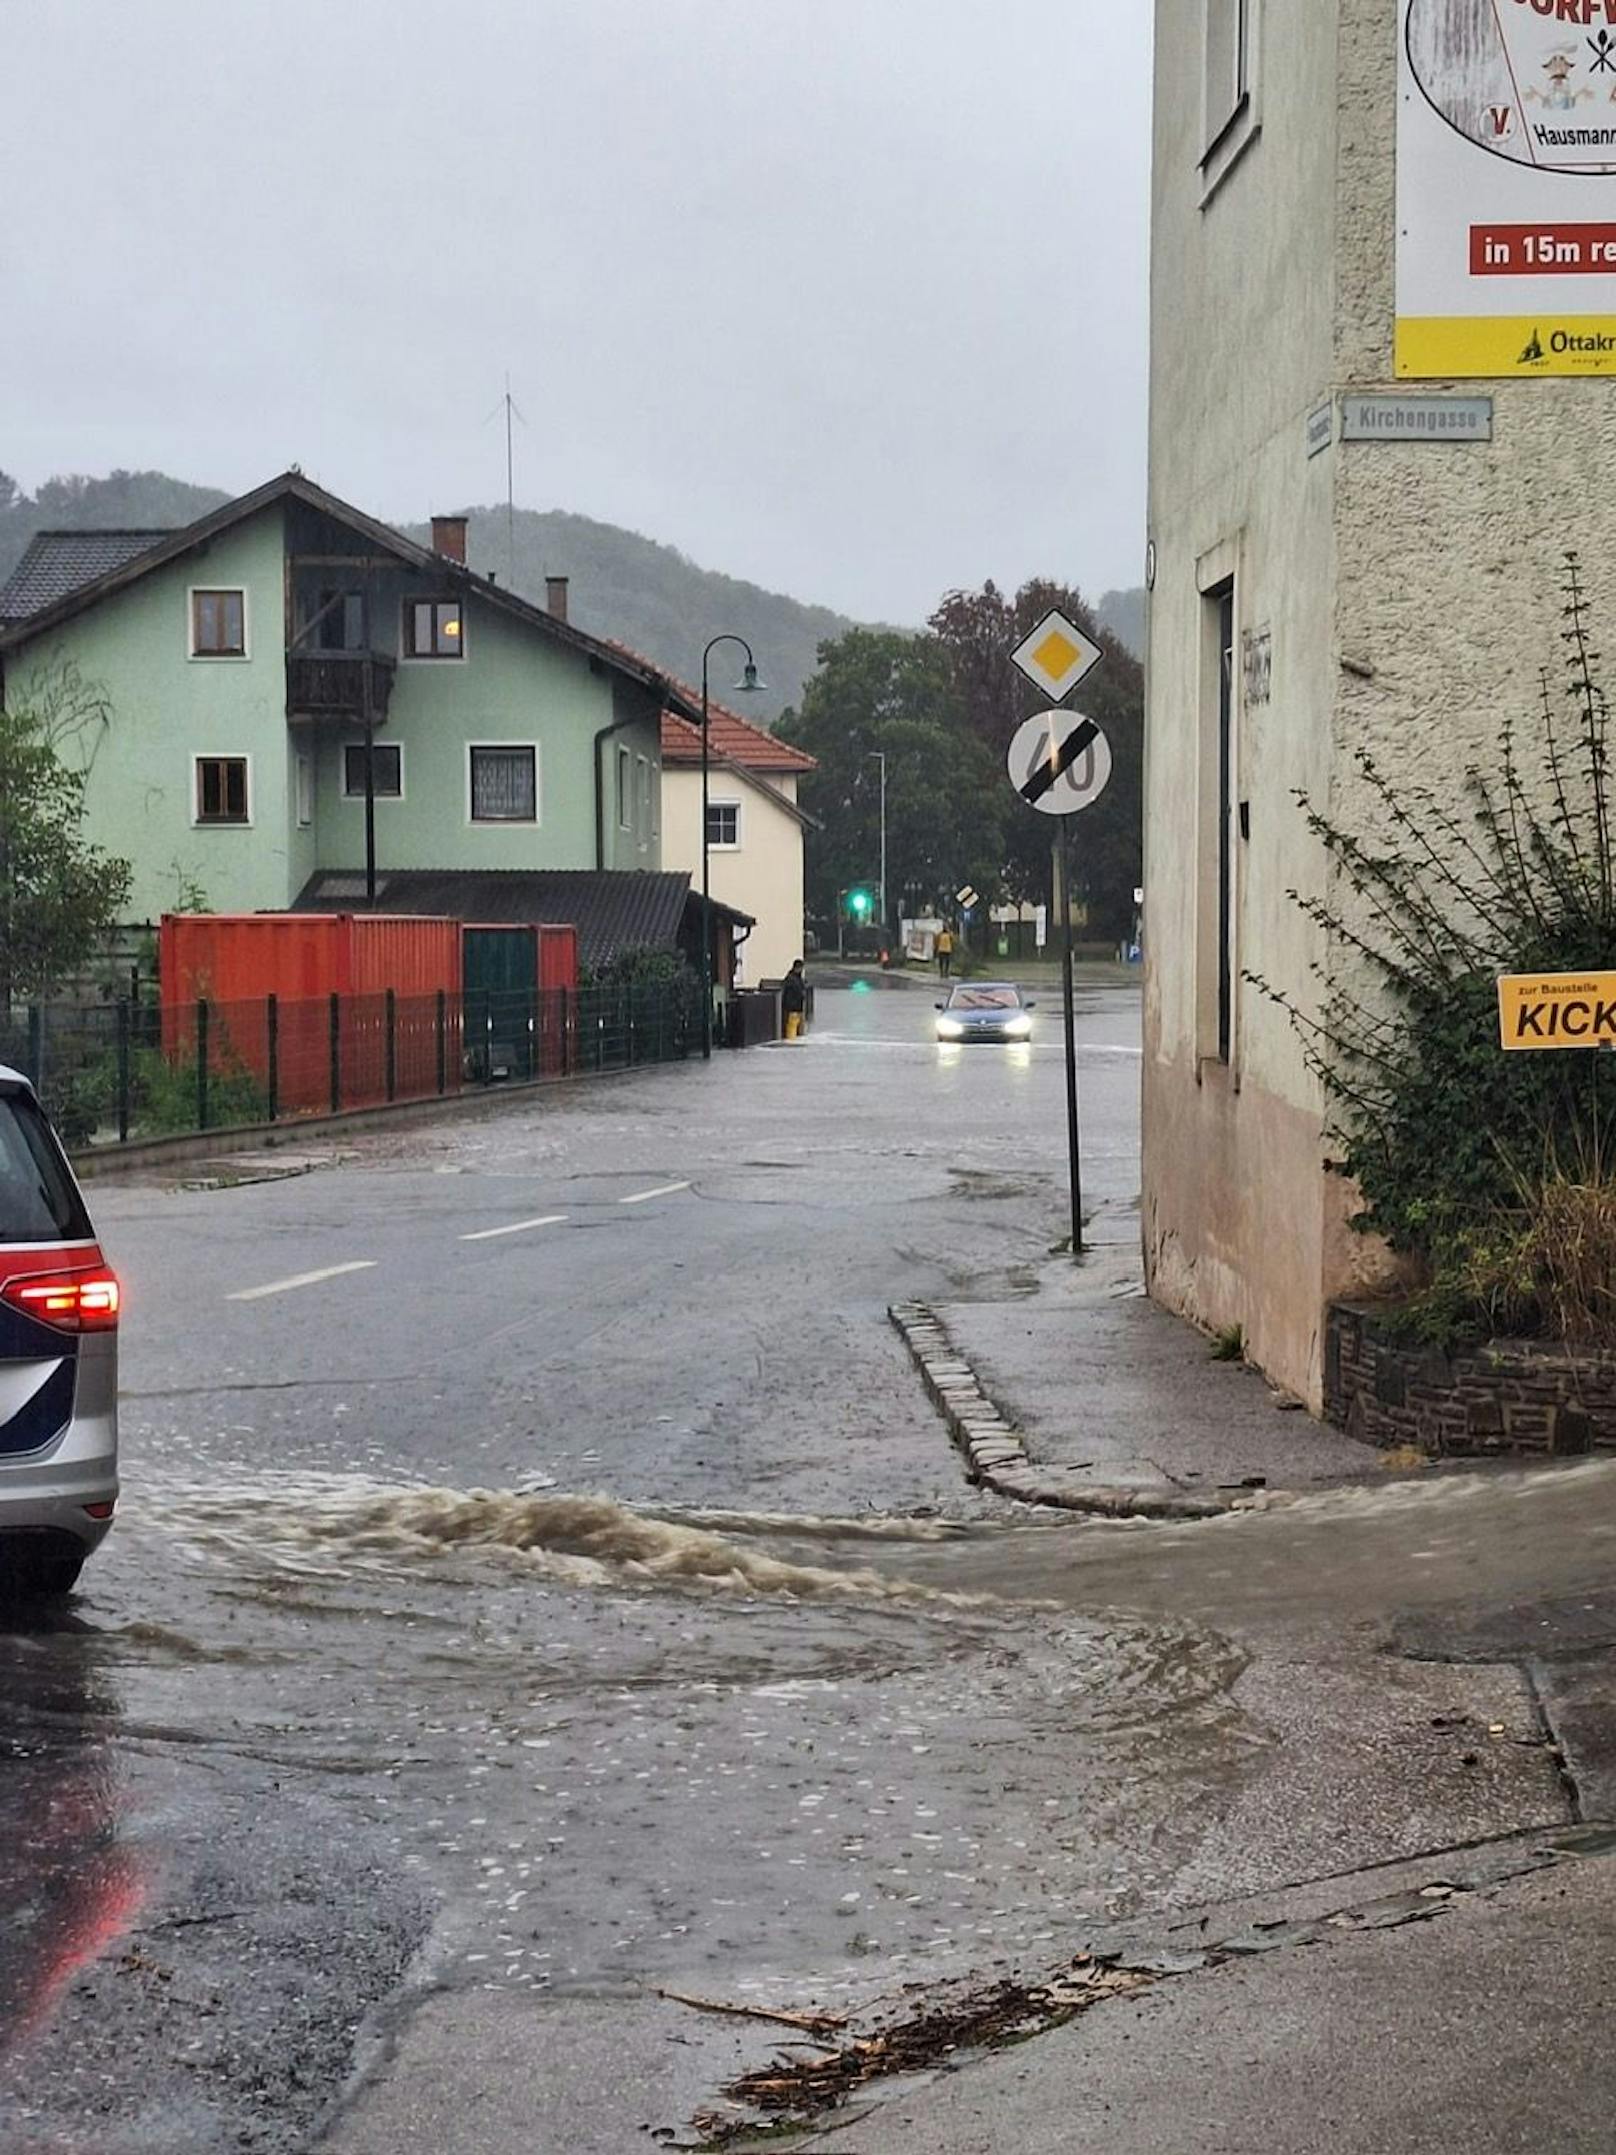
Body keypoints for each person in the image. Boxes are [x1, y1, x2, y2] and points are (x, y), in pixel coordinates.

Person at [781, 958, 807, 1041]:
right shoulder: (791, 979)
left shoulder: (797, 978)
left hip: (798, 1007)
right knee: (791, 1030)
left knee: (798, 1030)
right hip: (792, 1008)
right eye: (801, 968)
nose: (802, 970)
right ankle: (791, 1042)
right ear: (797, 968)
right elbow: (796, 992)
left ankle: (796, 1040)